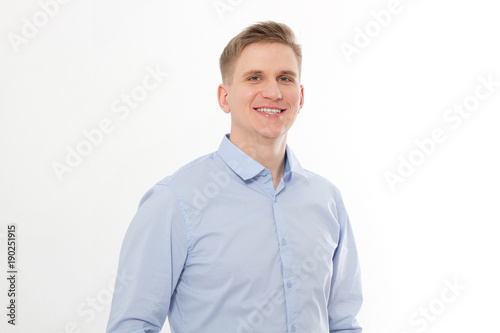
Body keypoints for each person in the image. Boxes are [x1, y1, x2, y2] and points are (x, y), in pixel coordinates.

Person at [106, 21, 363, 333]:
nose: (273, 92)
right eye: (255, 77)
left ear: (301, 95)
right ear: (224, 97)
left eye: (285, 78)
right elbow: (132, 326)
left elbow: (344, 324)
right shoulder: (175, 201)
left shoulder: (327, 199)